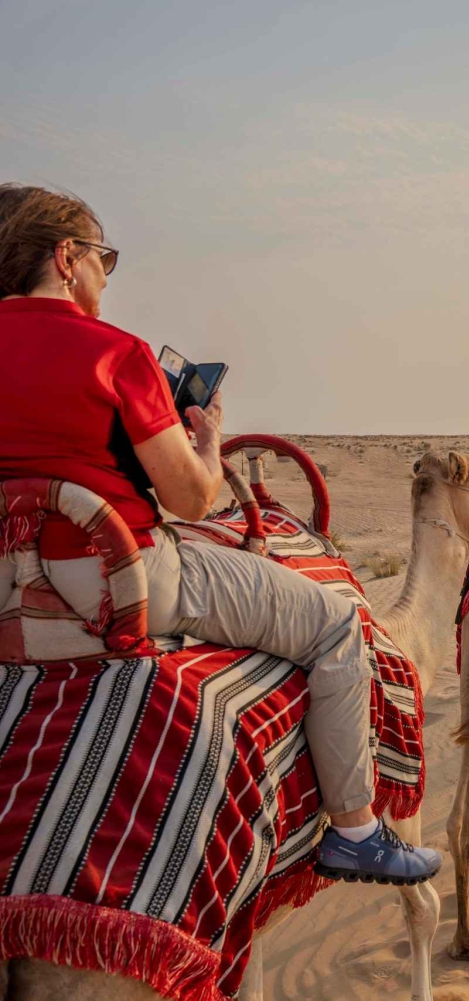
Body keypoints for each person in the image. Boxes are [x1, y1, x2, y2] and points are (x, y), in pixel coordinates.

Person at [0, 184, 439, 884]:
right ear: (66, 257)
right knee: (335, 624)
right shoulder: (115, 352)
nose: (106, 278)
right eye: (103, 260)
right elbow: (191, 498)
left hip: (9, 589)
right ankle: (356, 831)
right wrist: (207, 441)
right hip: (114, 577)